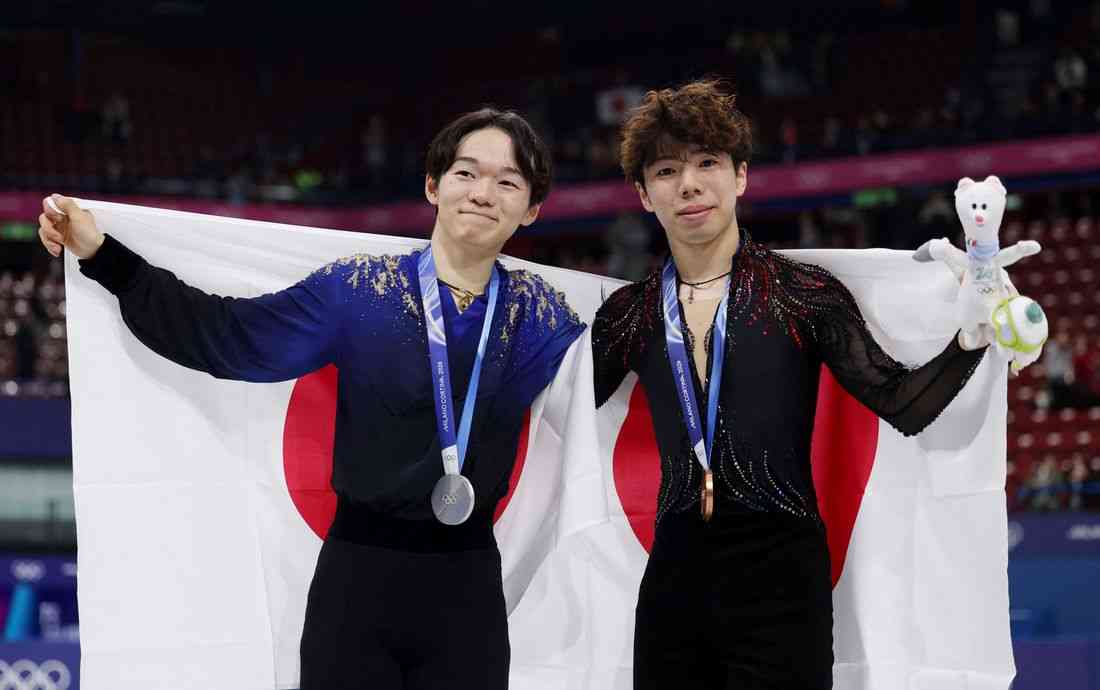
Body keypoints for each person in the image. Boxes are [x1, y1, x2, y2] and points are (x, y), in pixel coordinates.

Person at [38, 108, 585, 690]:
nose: (482, 193)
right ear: (433, 185)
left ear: (531, 208)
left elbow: (607, 397)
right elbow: (229, 337)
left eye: (507, 181)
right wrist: (106, 257)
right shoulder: (358, 291)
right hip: (357, 585)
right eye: (466, 173)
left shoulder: (540, 316)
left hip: (467, 591)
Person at [590, 80, 991, 690]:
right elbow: (558, 405)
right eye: (667, 170)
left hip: (781, 577)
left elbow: (901, 403)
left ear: (741, 176)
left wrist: (972, 340)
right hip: (674, 574)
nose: (689, 184)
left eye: (707, 163)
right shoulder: (630, 312)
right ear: (645, 194)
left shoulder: (801, 293)